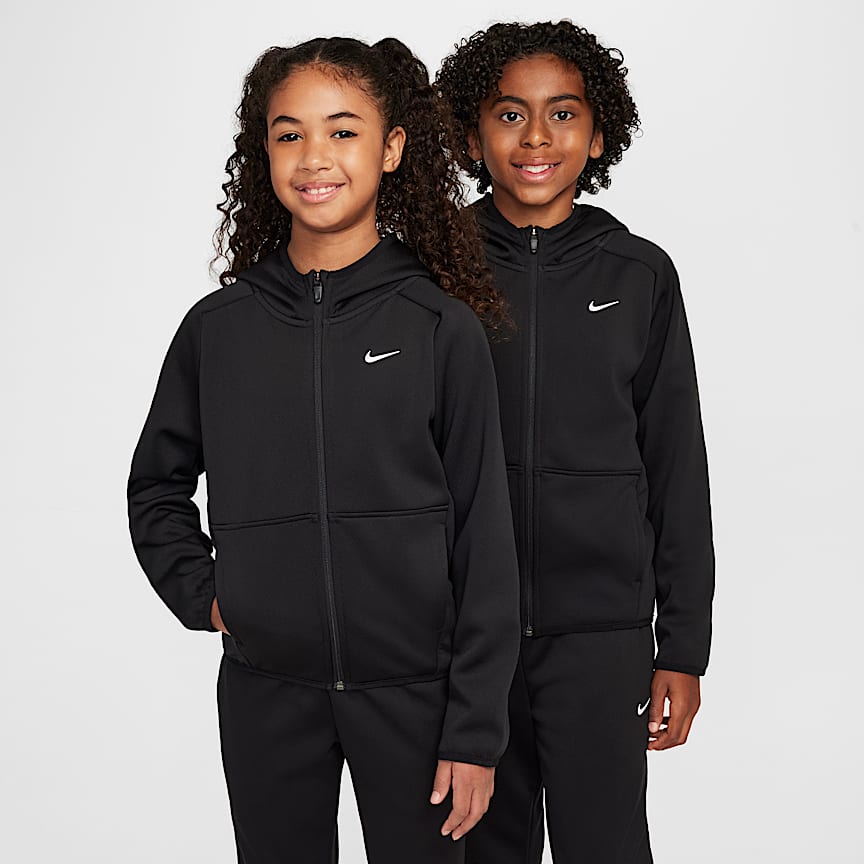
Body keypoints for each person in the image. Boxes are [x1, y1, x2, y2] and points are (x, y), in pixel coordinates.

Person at [127, 35, 521, 864]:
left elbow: (486, 538)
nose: (315, 157)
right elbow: (156, 486)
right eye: (289, 133)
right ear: (263, 153)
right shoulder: (219, 330)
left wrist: (477, 730)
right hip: (267, 692)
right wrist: (213, 598)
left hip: (417, 693)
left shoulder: (438, 326)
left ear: (392, 147)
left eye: (343, 131)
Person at [435, 20, 715, 863]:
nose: (536, 137)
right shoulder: (432, 272)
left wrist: (685, 647)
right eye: (509, 114)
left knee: (608, 846)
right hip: (459, 636)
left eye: (562, 114)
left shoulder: (638, 273)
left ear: (597, 136)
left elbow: (675, 463)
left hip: (601, 634)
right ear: (472, 135)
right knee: (478, 847)